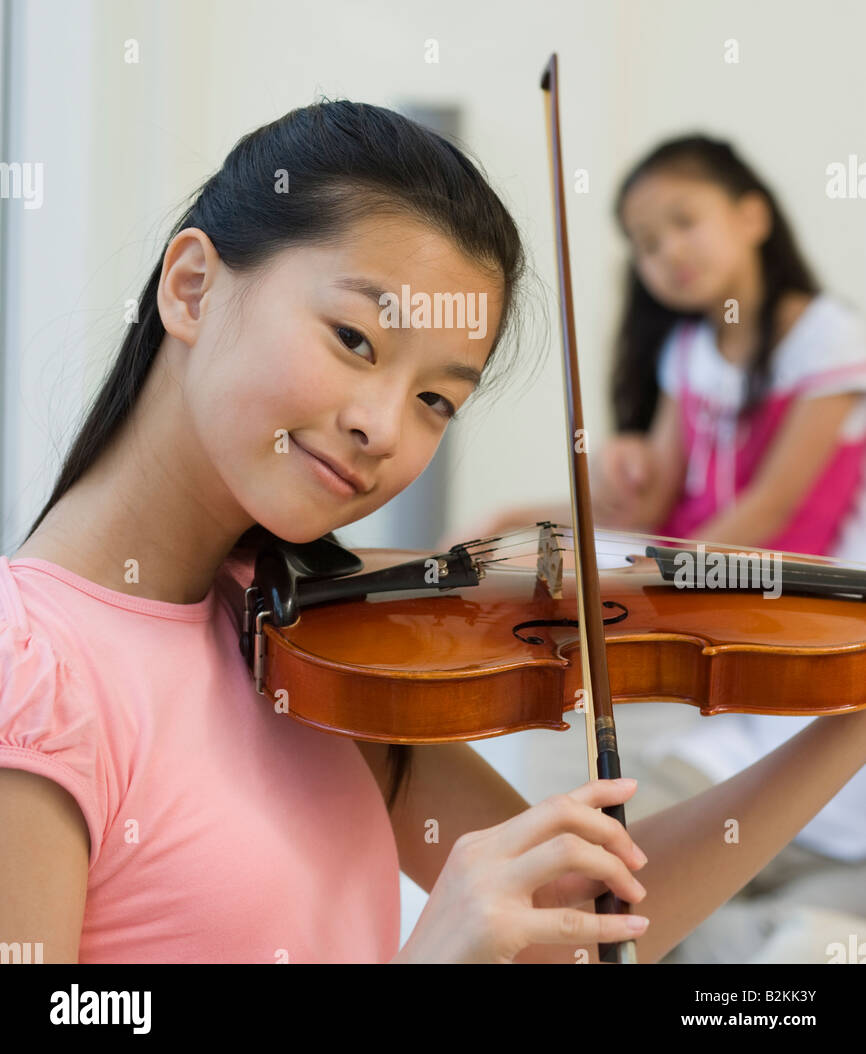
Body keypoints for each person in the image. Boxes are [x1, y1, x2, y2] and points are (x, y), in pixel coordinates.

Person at [1, 105, 864, 965]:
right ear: (192, 286)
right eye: (355, 338)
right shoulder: (32, 674)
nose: (384, 428)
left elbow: (588, 930)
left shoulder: (307, 641)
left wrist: (849, 722)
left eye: (435, 401)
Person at [456, 132, 866, 960]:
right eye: (646, 243)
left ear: (753, 215)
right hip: (711, 573)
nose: (667, 252)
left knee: (645, 848)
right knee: (501, 526)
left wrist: (650, 574)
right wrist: (608, 479)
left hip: (781, 587)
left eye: (684, 221)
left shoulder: (825, 337)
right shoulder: (689, 349)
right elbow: (661, 501)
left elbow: (771, 505)